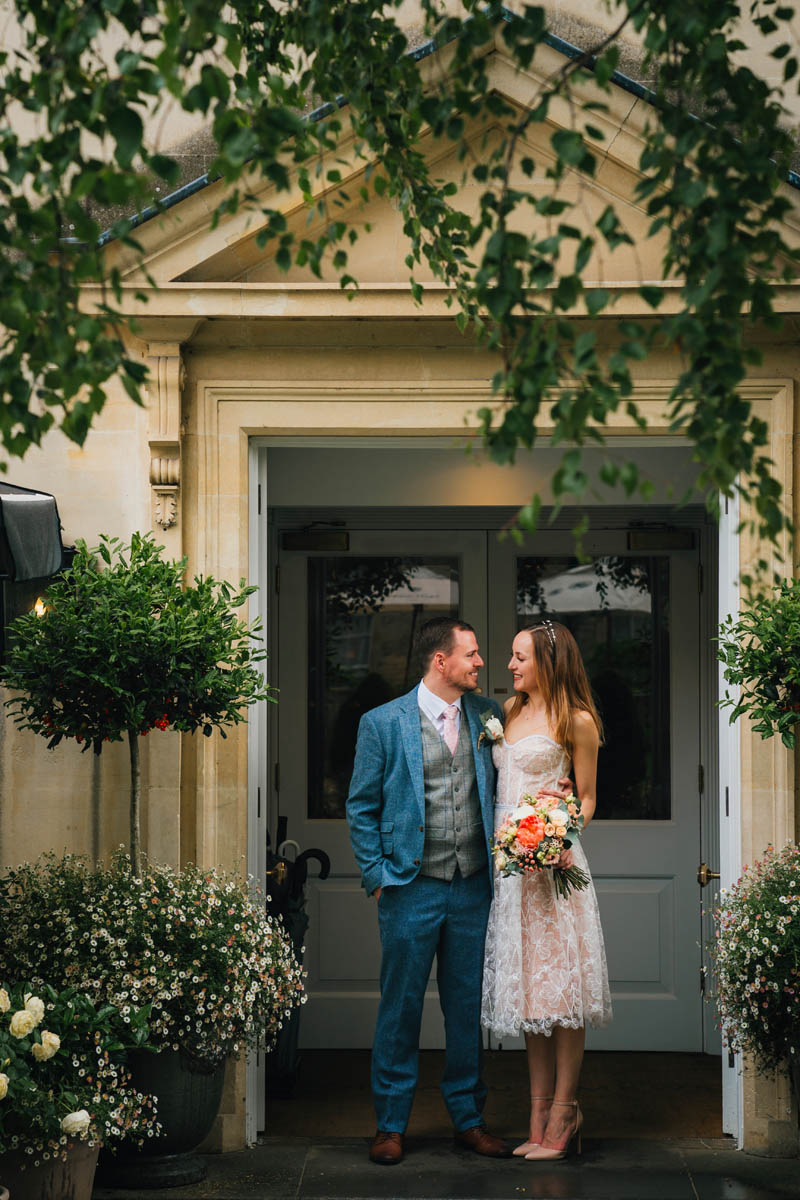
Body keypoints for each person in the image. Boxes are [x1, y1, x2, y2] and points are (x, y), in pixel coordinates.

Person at [347, 616, 512, 1166]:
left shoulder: (490, 716)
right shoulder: (383, 722)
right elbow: (361, 805)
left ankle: (468, 1118)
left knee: (467, 1009)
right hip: (409, 887)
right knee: (401, 1007)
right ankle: (390, 1124)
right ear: (440, 661)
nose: (480, 663)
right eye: (471, 653)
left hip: (472, 888)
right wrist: (377, 875)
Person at [481, 620, 612, 1161]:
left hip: (555, 872)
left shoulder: (576, 720)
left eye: (519, 657)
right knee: (532, 996)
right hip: (512, 877)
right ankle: (534, 1116)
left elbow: (586, 797)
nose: (509, 666)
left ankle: (565, 1110)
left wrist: (561, 834)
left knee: (564, 995)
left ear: (548, 663)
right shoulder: (507, 714)